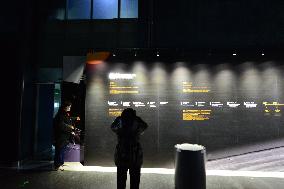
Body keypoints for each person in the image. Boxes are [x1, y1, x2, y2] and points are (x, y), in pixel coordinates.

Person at [111, 108, 148, 189]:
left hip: (125, 152)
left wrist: (120, 131)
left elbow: (113, 127)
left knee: (121, 179)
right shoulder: (136, 120)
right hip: (133, 153)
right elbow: (144, 126)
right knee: (133, 180)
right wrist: (137, 132)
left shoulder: (120, 119)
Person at [53, 100, 80, 170]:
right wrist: (70, 127)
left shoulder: (64, 113)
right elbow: (61, 125)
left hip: (64, 137)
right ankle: (57, 165)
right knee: (59, 151)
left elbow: (68, 120)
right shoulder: (60, 114)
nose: (70, 108)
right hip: (61, 137)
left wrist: (75, 118)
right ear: (66, 107)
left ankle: (60, 163)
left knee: (62, 150)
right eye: (69, 106)